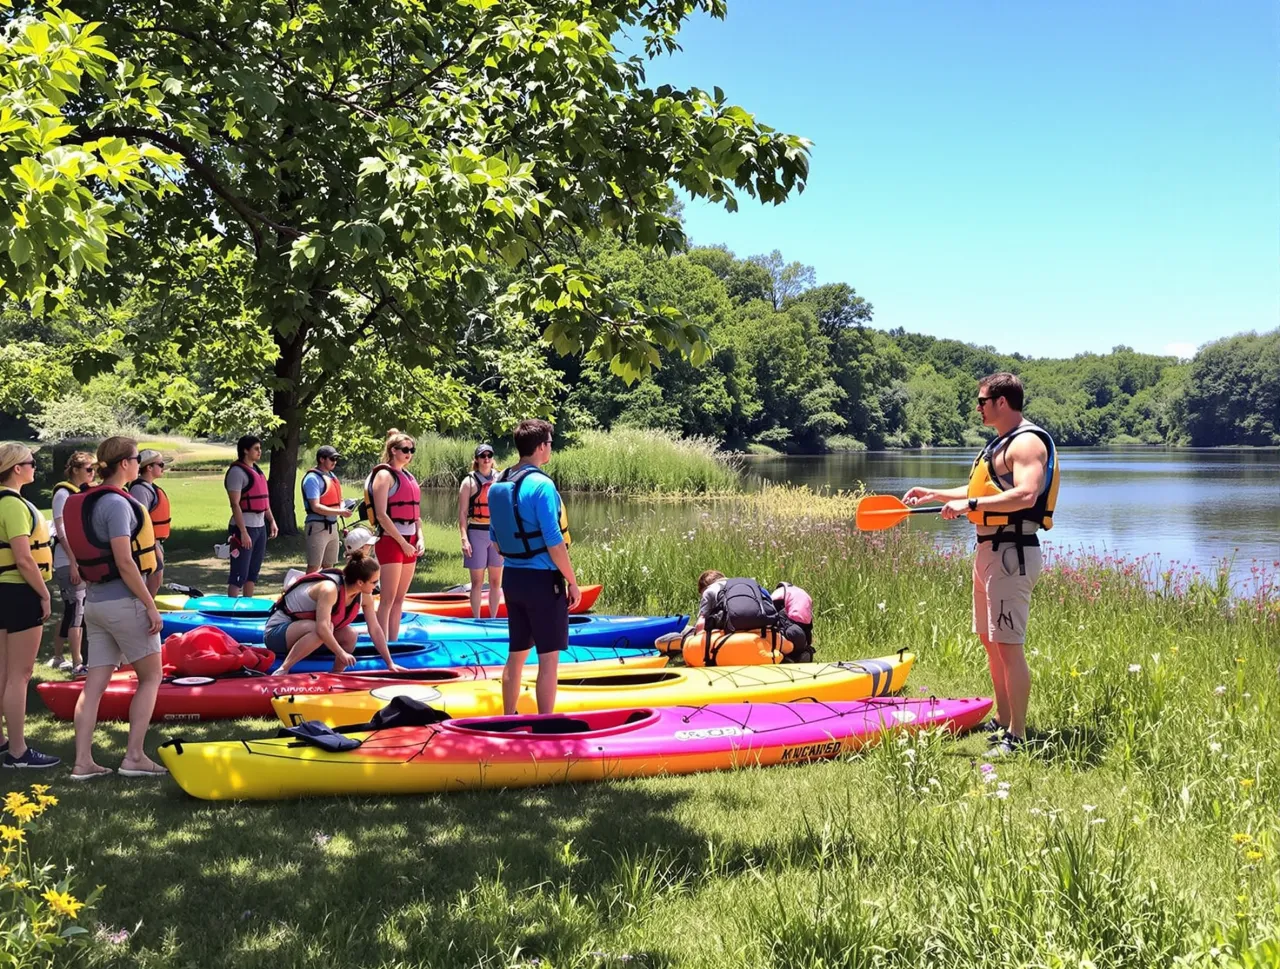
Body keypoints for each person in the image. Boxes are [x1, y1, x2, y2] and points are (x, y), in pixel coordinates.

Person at [902, 372, 1059, 758]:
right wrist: (934, 494)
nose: (978, 407)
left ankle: (1017, 737)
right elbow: (979, 491)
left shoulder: (1026, 444)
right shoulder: (1000, 444)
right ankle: (1004, 720)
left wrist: (970, 507)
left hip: (1012, 552)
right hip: (989, 551)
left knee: (1009, 646)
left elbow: (1026, 494)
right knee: (991, 643)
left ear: (1002, 402)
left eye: (982, 401)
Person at [64, 435, 167, 779]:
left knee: (94, 684)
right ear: (125, 463)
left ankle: (83, 762)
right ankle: (134, 756)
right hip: (124, 603)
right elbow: (125, 562)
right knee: (152, 676)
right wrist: (149, 604)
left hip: (94, 604)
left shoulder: (83, 500)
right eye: (137, 459)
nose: (139, 464)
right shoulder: (118, 504)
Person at [488, 419, 581, 715]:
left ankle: (508, 716)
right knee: (548, 659)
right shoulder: (542, 484)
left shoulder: (499, 483)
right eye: (550, 443)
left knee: (515, 656)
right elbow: (554, 542)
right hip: (543, 581)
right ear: (541, 447)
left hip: (512, 579)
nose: (551, 447)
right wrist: (572, 581)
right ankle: (546, 723)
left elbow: (496, 541)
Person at [0, 444, 59, 769]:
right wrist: (44, 594)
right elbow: (23, 557)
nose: (35, 468)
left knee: (3, 672)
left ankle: (2, 741)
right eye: (31, 463)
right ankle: (19, 752)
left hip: (2, 591)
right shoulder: (12, 504)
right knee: (20, 675)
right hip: (19, 593)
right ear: (16, 468)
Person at [271, 540, 404, 675]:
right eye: (374, 582)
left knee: (350, 635)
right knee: (326, 628)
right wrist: (341, 653)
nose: (376, 587)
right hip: (278, 632)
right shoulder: (329, 589)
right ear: (360, 582)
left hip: (306, 633)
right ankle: (283, 669)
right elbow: (322, 628)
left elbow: (375, 629)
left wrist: (389, 663)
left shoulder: (365, 595)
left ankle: (336, 674)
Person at [365, 429, 423, 643]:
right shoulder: (384, 475)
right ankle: (380, 644)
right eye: (406, 450)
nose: (409, 453)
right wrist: (402, 542)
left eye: (412, 450)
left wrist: (420, 538)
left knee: (400, 599)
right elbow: (381, 514)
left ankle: (393, 642)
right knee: (387, 599)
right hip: (391, 541)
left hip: (411, 540)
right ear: (393, 450)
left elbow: (417, 514)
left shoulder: (409, 476)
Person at [49, 451, 93, 673]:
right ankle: (78, 663)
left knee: (71, 610)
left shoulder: (81, 493)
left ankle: (57, 656)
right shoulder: (62, 494)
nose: (92, 473)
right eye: (88, 469)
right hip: (67, 562)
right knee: (76, 612)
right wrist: (74, 562)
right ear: (75, 470)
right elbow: (60, 529)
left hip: (77, 560)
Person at [225, 435, 277, 597]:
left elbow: (264, 501)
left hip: (260, 527)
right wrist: (243, 532)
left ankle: (248, 606)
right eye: (256, 448)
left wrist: (272, 521)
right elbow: (235, 504)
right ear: (245, 450)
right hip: (244, 527)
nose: (259, 451)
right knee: (239, 573)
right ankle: (230, 610)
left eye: (260, 448)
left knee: (252, 573)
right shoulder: (236, 472)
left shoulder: (257, 471)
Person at [458, 443, 503, 619]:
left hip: (495, 534)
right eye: (482, 456)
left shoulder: (500, 479)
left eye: (489, 456)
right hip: (476, 532)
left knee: (495, 581)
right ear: (476, 459)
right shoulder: (468, 482)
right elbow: (462, 513)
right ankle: (476, 618)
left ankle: (493, 618)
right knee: (477, 582)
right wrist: (464, 538)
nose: (486, 459)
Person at [301, 445, 352, 572]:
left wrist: (345, 506)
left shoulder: (332, 476)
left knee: (329, 566)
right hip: (317, 526)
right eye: (332, 459)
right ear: (321, 459)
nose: (335, 462)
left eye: (336, 459)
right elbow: (315, 506)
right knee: (314, 566)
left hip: (333, 526)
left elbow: (338, 500)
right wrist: (340, 511)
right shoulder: (312, 478)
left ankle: (325, 591)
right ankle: (307, 591)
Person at [129, 449, 170, 596]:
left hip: (155, 542)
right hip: (148, 544)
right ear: (149, 468)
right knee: (152, 581)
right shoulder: (140, 489)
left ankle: (147, 612)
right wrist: (153, 546)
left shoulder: (148, 487)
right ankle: (144, 613)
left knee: (156, 581)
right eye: (160, 464)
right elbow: (141, 523)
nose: (163, 467)